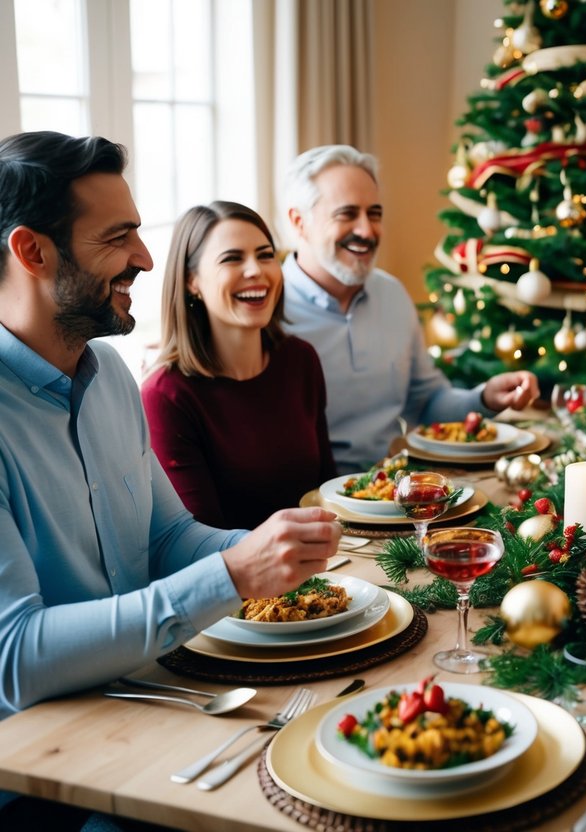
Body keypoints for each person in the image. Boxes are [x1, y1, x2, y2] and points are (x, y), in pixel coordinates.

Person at [0, 132, 341, 718]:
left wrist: (274, 550)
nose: (146, 257)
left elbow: (167, 538)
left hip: (153, 697)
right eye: (116, 237)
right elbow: (14, 657)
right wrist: (234, 573)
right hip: (40, 771)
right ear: (32, 252)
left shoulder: (108, 372)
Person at [280, 145, 540, 473]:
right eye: (347, 214)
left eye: (374, 213)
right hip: (305, 503)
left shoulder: (392, 294)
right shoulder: (268, 312)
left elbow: (427, 402)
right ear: (299, 222)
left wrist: (484, 398)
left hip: (391, 491)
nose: (367, 230)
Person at [142, 201, 337, 528]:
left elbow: (327, 492)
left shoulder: (300, 359)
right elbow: (200, 542)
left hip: (330, 565)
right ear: (192, 282)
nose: (256, 270)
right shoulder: (165, 396)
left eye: (265, 255)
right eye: (232, 258)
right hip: (237, 575)